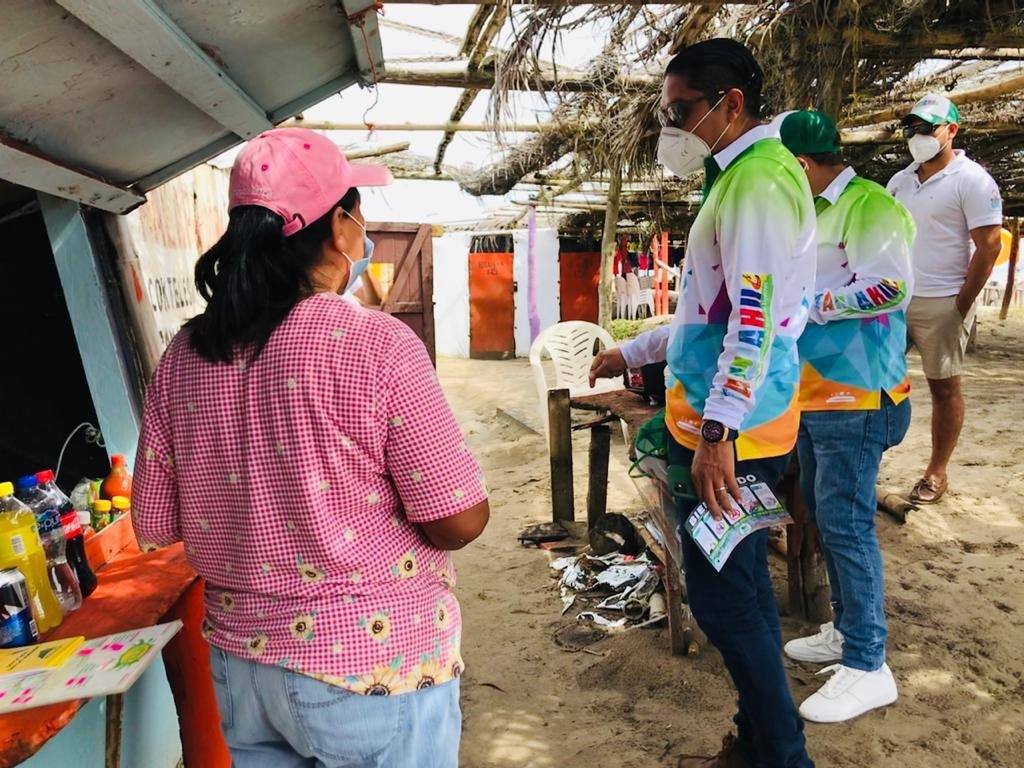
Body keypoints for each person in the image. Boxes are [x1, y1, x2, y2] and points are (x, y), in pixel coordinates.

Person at [132, 127, 490, 768]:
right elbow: (459, 520)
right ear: (340, 228)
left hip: (244, 670)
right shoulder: (376, 344)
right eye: (359, 213)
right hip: (370, 667)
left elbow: (155, 524)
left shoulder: (184, 355)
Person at [591, 39, 816, 768]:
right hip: (729, 420)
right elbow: (705, 314)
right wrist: (636, 351)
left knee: (724, 602)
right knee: (741, 589)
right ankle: (759, 744)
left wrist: (718, 432)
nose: (672, 126)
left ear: (732, 103)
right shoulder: (740, 178)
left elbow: (754, 321)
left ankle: (782, 755)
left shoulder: (756, 185)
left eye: (681, 110)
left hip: (733, 432)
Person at [778, 111, 915, 723]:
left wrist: (813, 304)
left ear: (802, 163)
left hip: (859, 394)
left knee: (847, 522)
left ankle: (867, 663)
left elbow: (891, 287)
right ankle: (846, 628)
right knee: (824, 511)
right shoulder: (809, 211)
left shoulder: (869, 205)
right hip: (816, 391)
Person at [887, 94, 1003, 504]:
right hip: (895, 301)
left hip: (943, 300)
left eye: (926, 127)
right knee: (878, 383)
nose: (916, 135)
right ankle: (870, 461)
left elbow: (990, 246)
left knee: (944, 388)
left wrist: (961, 303)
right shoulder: (899, 181)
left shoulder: (972, 180)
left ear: (951, 130)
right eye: (911, 128)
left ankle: (936, 472)